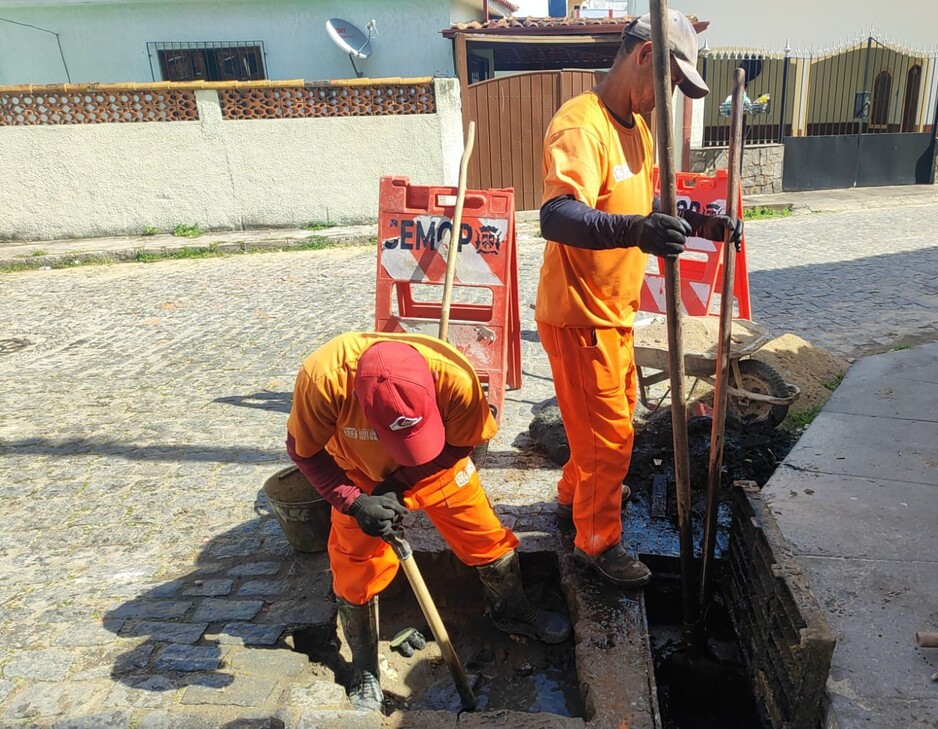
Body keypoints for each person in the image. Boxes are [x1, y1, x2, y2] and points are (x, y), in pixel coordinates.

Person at [535, 11, 743, 589]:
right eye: (671, 80)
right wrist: (637, 231)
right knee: (609, 439)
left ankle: (574, 496)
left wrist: (704, 224)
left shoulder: (640, 129)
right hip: (579, 315)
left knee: (605, 421)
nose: (670, 95)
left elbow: (654, 210)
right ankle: (596, 544)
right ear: (644, 55)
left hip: (611, 313)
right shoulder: (582, 125)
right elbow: (557, 216)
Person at [286, 333, 570, 712]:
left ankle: (513, 612)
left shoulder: (456, 378)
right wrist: (354, 503)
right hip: (357, 471)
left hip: (437, 468)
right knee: (354, 568)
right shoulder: (324, 379)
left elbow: (462, 442)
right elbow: (303, 452)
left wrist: (400, 484)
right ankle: (367, 667)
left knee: (484, 536)